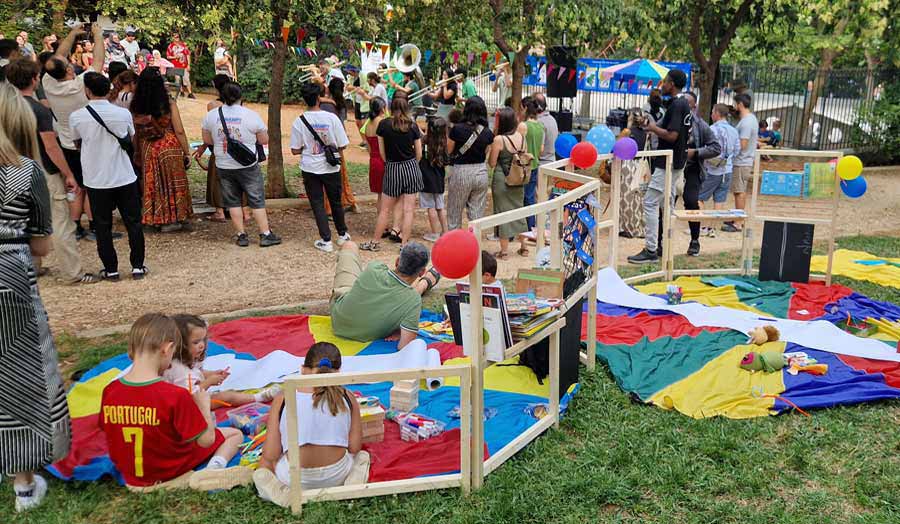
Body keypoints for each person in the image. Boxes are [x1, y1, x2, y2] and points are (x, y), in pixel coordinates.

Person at [0, 83, 71, 513]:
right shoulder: (25, 173)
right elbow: (43, 247)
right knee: (19, 373)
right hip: (9, 278)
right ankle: (23, 484)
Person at [99, 313, 251, 492]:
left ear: (131, 350)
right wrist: (202, 405)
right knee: (234, 434)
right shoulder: (174, 395)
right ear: (168, 349)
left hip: (132, 477)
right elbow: (206, 440)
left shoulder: (110, 390)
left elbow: (109, 429)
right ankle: (211, 471)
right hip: (170, 470)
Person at [5, 59, 96, 285]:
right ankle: (72, 272)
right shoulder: (39, 110)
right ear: (35, 80)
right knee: (60, 222)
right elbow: (51, 147)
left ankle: (30, 268)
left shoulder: (4, 107)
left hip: (11, 169)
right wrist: (68, 173)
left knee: (21, 220)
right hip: (42, 170)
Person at [253, 342, 370, 507]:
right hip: (336, 475)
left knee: (264, 468)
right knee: (362, 457)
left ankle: (284, 493)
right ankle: (349, 487)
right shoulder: (348, 396)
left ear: (302, 369)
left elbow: (271, 453)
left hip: (293, 477)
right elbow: (355, 447)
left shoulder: (283, 397)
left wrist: (267, 463)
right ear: (338, 372)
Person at [70, 72, 148, 280]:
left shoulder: (77, 116)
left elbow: (77, 144)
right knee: (133, 222)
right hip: (124, 175)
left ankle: (111, 269)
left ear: (87, 91)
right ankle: (138, 266)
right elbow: (131, 140)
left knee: (102, 226)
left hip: (96, 178)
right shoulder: (123, 114)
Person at [43, 24, 105, 242]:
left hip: (66, 143)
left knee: (76, 185)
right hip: (86, 142)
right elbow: (98, 61)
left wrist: (71, 34)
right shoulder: (79, 85)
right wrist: (97, 35)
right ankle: (96, 226)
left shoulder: (48, 83)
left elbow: (57, 57)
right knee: (90, 185)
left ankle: (76, 226)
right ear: (69, 70)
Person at [200, 82, 280, 247]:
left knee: (232, 201)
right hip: (247, 164)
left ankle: (241, 235)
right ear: (240, 96)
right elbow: (264, 140)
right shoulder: (251, 115)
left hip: (223, 164)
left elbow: (207, 140)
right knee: (256, 199)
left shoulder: (212, 115)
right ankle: (265, 234)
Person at [628, 69, 692, 264]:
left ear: (671, 84)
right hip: (675, 162)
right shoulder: (680, 104)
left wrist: (654, 129)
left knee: (650, 202)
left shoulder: (678, 105)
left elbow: (672, 135)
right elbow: (669, 130)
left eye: (664, 82)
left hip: (668, 162)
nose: (661, 85)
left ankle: (651, 249)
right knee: (667, 204)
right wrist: (650, 125)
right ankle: (664, 245)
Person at [330, 241, 439, 348]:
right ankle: (426, 282)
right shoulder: (413, 300)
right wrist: (401, 331)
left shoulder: (375, 268)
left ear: (397, 261)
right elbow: (405, 346)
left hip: (338, 319)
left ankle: (426, 282)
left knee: (349, 245)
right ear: (422, 272)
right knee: (412, 294)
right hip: (365, 333)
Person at [163, 314, 280, 403]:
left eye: (203, 340)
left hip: (196, 397)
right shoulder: (178, 370)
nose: (201, 345)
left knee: (227, 394)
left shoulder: (190, 358)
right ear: (181, 344)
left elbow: (196, 372)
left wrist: (212, 374)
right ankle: (259, 397)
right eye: (196, 342)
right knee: (226, 396)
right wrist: (209, 382)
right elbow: (188, 396)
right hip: (187, 406)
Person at [130, 67, 193, 231]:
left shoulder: (136, 105)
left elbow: (135, 132)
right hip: (169, 146)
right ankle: (175, 218)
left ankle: (158, 218)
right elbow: (179, 129)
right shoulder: (168, 103)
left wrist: (136, 151)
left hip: (148, 147)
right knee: (173, 182)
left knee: (154, 183)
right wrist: (186, 152)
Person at [290, 82, 350, 253]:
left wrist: (307, 147)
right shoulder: (332, 118)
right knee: (336, 201)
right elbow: (343, 144)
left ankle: (326, 239)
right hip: (331, 167)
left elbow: (294, 150)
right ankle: (343, 234)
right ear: (319, 98)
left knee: (317, 203)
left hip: (310, 167)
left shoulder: (299, 121)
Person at [362, 97, 423, 251]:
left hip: (392, 167)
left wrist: (391, 162)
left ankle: (375, 242)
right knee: (409, 210)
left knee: (385, 209)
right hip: (411, 167)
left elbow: (382, 153)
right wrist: (410, 162)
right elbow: (419, 153)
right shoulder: (412, 126)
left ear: (390, 107)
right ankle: (404, 245)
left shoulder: (383, 125)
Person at [680, 91, 721, 257]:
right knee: (664, 205)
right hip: (672, 169)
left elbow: (716, 148)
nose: (682, 108)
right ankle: (659, 245)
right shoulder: (671, 120)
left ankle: (695, 240)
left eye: (686, 105)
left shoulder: (701, 125)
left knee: (691, 203)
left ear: (694, 107)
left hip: (692, 170)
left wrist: (695, 152)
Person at [487, 107, 529, 259]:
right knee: (519, 211)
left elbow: (492, 163)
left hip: (502, 179)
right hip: (518, 178)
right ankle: (524, 248)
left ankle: (504, 252)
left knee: (502, 212)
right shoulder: (522, 137)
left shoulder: (499, 140)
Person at [446, 96, 493, 230]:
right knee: (476, 216)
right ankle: (475, 247)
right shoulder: (487, 132)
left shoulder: (457, 129)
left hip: (461, 172)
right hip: (481, 172)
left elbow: (449, 151)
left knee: (454, 214)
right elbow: (486, 152)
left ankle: (455, 246)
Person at [194, 74, 236, 223]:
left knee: (217, 178)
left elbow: (211, 128)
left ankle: (219, 211)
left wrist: (202, 147)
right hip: (236, 146)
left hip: (218, 145)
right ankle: (237, 209)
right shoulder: (238, 103)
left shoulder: (213, 105)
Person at [699, 104, 740, 238]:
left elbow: (706, 148)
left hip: (712, 169)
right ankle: (712, 228)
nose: (711, 114)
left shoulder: (712, 129)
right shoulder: (734, 130)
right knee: (719, 200)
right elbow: (737, 150)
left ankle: (703, 226)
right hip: (727, 169)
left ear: (717, 113)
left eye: (712, 112)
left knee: (699, 197)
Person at [320, 77, 358, 214]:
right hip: (338, 143)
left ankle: (329, 207)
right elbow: (341, 125)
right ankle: (347, 200)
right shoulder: (341, 104)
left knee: (327, 175)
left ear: (329, 89)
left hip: (325, 144)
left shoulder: (324, 105)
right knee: (341, 175)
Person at [722, 92, 757, 233]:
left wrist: (730, 151)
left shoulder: (747, 121)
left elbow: (742, 144)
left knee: (739, 191)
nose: (734, 107)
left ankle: (738, 222)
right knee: (738, 190)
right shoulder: (749, 119)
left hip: (742, 161)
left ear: (740, 104)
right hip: (742, 161)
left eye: (736, 104)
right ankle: (737, 216)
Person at [617, 108, 650, 238]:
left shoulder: (627, 132)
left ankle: (627, 227)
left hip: (627, 165)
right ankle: (638, 226)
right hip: (639, 165)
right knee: (638, 198)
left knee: (626, 198)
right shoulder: (645, 133)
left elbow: (617, 147)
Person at [420, 117, 450, 242]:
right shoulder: (444, 143)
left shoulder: (424, 141)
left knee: (430, 207)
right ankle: (445, 231)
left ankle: (435, 233)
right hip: (439, 180)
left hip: (426, 179)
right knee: (440, 206)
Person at [521, 97, 544, 225]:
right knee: (530, 197)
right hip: (535, 165)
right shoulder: (540, 126)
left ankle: (526, 226)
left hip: (524, 166)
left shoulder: (524, 126)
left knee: (523, 197)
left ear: (525, 109)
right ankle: (531, 225)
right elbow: (541, 150)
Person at [166, 32, 194, 98]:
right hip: (175, 65)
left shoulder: (183, 45)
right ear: (173, 38)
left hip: (184, 65)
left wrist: (189, 64)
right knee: (178, 79)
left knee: (186, 79)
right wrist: (175, 57)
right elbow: (168, 56)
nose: (177, 38)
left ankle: (190, 93)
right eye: (175, 37)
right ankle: (181, 92)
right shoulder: (170, 46)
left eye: (178, 37)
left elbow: (187, 55)